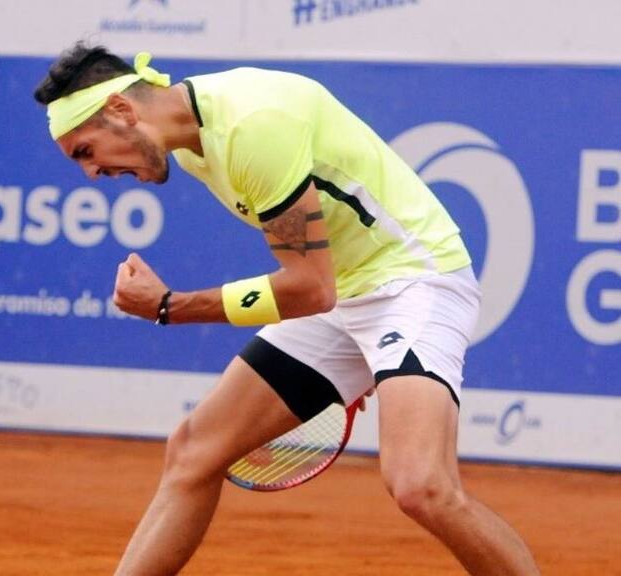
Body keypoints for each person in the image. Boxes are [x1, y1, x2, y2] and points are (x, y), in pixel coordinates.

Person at [34, 43, 540, 575]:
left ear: (121, 110)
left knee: (422, 485)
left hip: (412, 281)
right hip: (340, 292)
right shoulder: (188, 144)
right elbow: (317, 280)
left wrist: (169, 307)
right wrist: (358, 358)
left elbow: (308, 289)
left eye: (85, 152)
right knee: (194, 451)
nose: (91, 173)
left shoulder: (252, 127)